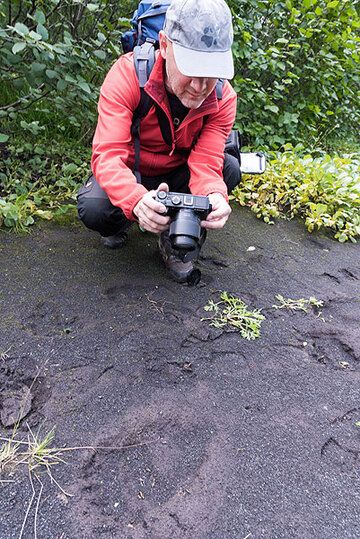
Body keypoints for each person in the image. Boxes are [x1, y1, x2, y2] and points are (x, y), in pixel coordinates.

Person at [77, 0, 240, 283]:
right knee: (95, 208)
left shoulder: (223, 98)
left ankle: (176, 236)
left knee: (228, 169)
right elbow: (108, 154)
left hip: (180, 172)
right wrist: (135, 200)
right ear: (165, 45)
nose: (201, 87)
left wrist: (214, 196)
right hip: (133, 169)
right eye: (193, 68)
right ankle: (121, 221)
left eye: (212, 71)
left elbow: (206, 161)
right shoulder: (127, 75)